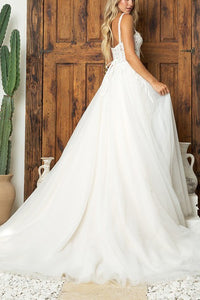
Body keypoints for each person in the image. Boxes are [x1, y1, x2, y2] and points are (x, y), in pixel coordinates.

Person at [0, 0, 200, 287]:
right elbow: (130, 57)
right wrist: (154, 81)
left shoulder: (114, 23)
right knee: (131, 150)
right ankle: (134, 223)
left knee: (116, 151)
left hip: (115, 86)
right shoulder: (126, 21)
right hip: (127, 86)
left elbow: (114, 60)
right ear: (115, 1)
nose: (129, 3)